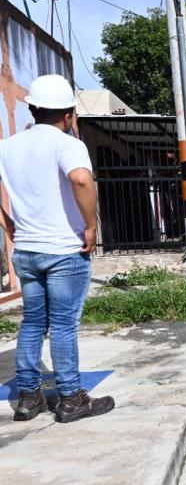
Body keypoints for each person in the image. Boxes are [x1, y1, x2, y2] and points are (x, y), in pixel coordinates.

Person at [0, 74, 114, 423]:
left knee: (33, 323)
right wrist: (91, 226)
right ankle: (69, 397)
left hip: (28, 251)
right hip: (64, 250)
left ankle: (28, 398)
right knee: (64, 325)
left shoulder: (8, 145)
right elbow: (80, 179)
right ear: (68, 114)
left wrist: (8, 223)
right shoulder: (68, 144)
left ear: (33, 108)